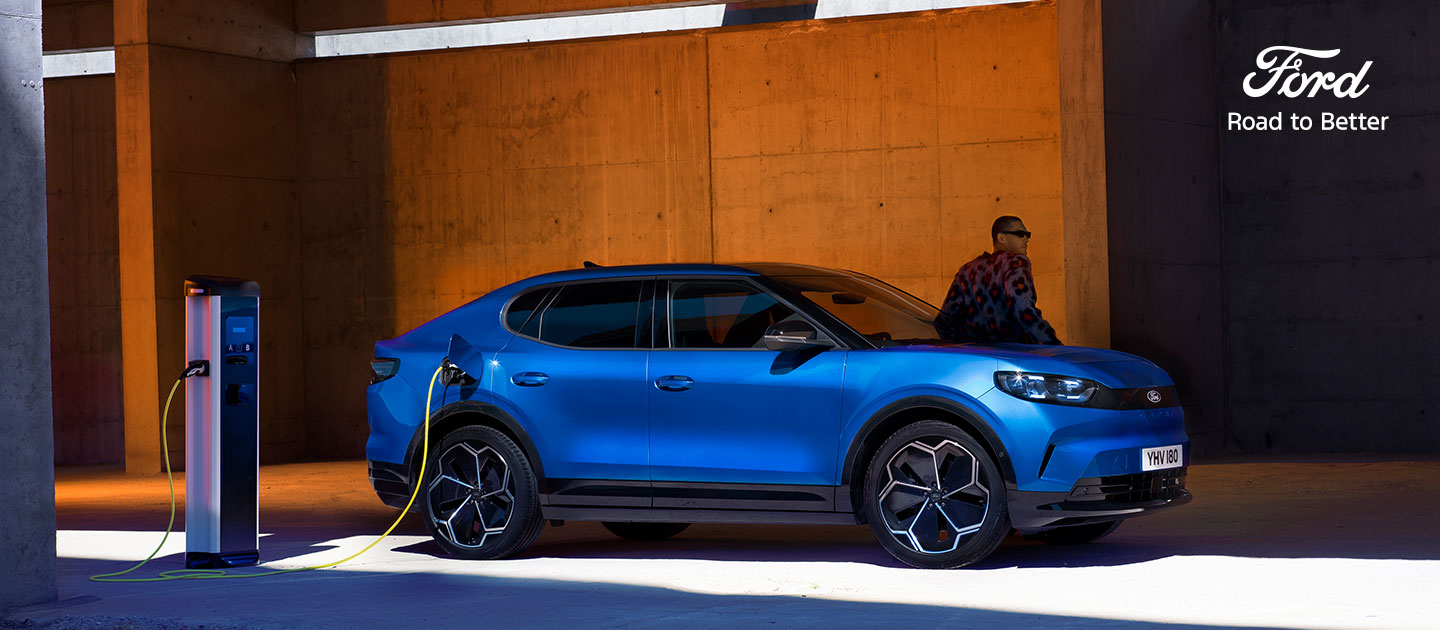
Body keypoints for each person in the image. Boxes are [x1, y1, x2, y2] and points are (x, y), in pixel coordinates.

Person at [935, 215, 1061, 345]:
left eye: (1027, 235)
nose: (1026, 239)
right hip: (1015, 355)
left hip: (981, 357)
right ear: (1001, 238)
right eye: (1020, 234)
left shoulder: (967, 271)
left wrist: (968, 346)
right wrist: (1052, 342)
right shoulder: (1015, 262)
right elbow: (1024, 310)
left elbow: (943, 322)